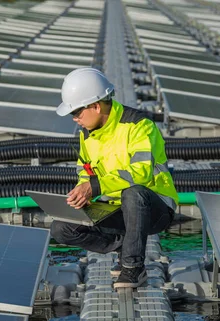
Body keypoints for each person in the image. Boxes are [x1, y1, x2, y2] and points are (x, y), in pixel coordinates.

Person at [50, 68, 178, 289]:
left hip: (152, 209)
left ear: (96, 106)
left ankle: (133, 267)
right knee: (61, 228)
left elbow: (141, 174)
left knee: (134, 193)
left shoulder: (139, 125)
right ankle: (126, 245)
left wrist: (95, 186)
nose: (75, 119)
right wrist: (83, 194)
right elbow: (85, 172)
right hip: (114, 209)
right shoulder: (87, 135)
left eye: (78, 112)